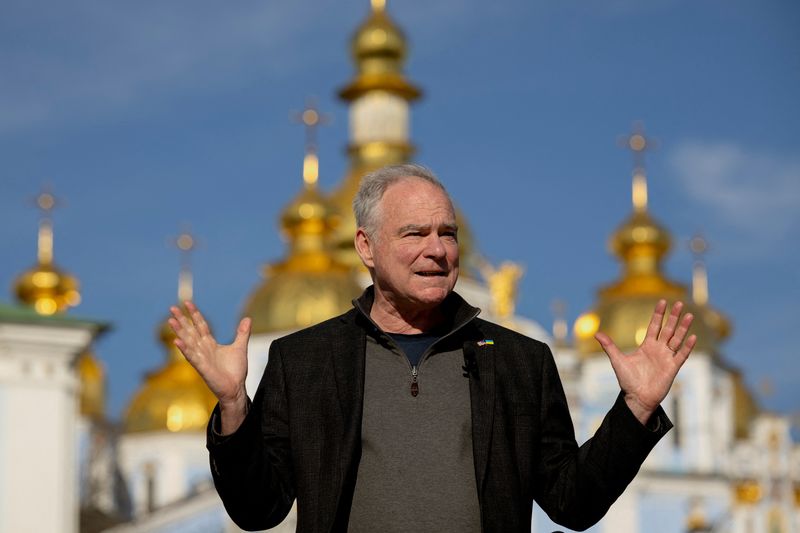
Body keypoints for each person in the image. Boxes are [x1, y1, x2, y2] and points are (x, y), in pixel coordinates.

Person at [169, 163, 696, 533]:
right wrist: (234, 405)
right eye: (414, 234)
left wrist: (636, 409)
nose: (437, 250)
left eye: (448, 233)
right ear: (366, 247)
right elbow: (258, 510)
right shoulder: (305, 361)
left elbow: (572, 503)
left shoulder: (519, 362)